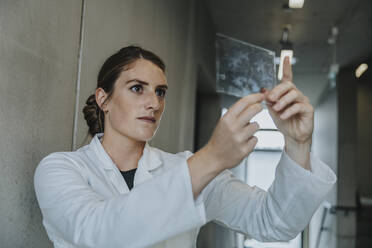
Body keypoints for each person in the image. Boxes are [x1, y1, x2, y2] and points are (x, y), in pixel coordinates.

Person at [34, 46, 336, 248]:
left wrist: (298, 143)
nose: (154, 103)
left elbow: (274, 223)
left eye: (160, 92)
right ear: (104, 99)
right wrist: (213, 157)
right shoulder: (61, 169)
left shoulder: (185, 168)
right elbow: (99, 233)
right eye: (137, 88)